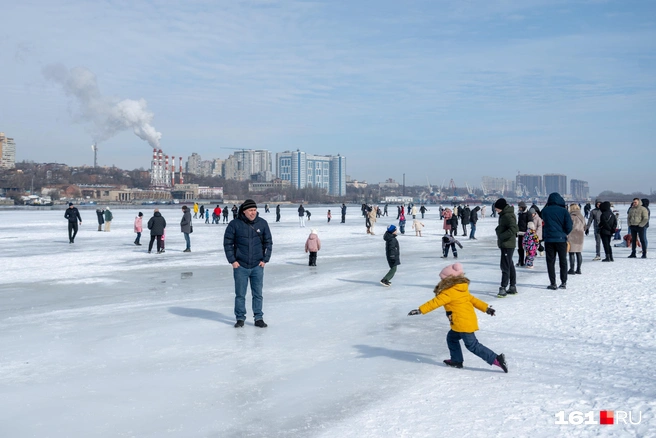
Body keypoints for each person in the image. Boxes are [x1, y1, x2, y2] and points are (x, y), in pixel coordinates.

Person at [407, 262, 507, 373]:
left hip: (462, 324)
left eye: (442, 279)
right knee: (452, 338)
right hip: (463, 322)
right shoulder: (461, 289)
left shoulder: (449, 292)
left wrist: (420, 310)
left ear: (448, 280)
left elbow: (434, 303)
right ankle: (456, 360)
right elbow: (474, 300)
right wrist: (486, 308)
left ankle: (496, 359)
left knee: (472, 345)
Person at [224, 199, 273, 328]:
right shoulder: (234, 224)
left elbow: (268, 242)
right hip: (240, 266)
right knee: (240, 294)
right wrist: (233, 261)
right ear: (244, 211)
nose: (253, 213)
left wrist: (265, 259)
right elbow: (228, 243)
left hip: (257, 265)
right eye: (250, 210)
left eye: (255, 210)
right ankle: (240, 318)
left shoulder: (262, 224)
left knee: (258, 294)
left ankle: (258, 318)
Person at [542, 193, 573, 290]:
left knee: (550, 262)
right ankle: (563, 282)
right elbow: (569, 226)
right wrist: (564, 233)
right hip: (561, 239)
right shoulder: (564, 211)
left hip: (549, 239)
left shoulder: (545, 210)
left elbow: (541, 216)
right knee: (563, 261)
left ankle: (553, 283)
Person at [494, 198, 518, 298]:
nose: (495, 210)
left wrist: (502, 235)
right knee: (510, 264)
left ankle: (503, 287)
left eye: (496, 208)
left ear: (501, 208)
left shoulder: (508, 215)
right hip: (506, 244)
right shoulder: (503, 215)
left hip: (507, 244)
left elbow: (514, 228)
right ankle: (512, 286)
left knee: (505, 265)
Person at [567, 204, 585, 274]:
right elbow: (584, 226)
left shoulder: (572, 217)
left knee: (571, 253)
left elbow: (569, 226)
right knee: (578, 252)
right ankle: (579, 269)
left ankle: (572, 269)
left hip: (573, 236)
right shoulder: (581, 216)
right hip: (580, 236)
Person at [516, 202, 529, 267]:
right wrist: (516, 231)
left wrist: (529, 232)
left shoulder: (527, 214)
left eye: (520, 207)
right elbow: (518, 223)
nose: (519, 208)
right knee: (520, 248)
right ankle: (520, 260)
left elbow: (530, 223)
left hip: (526, 233)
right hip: (520, 233)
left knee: (527, 248)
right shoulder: (520, 214)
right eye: (519, 207)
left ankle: (527, 260)